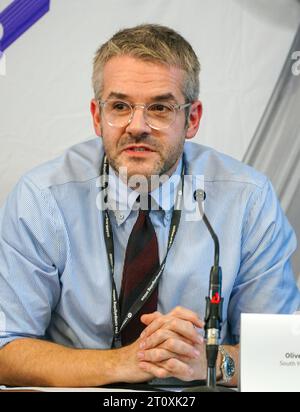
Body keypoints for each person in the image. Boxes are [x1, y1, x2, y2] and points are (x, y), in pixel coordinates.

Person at [0, 24, 299, 389]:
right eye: (120, 106)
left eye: (159, 108)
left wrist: (210, 362)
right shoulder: (42, 198)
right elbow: (6, 348)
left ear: (192, 119)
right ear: (97, 116)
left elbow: (286, 357)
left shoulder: (248, 199)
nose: (136, 126)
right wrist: (126, 363)